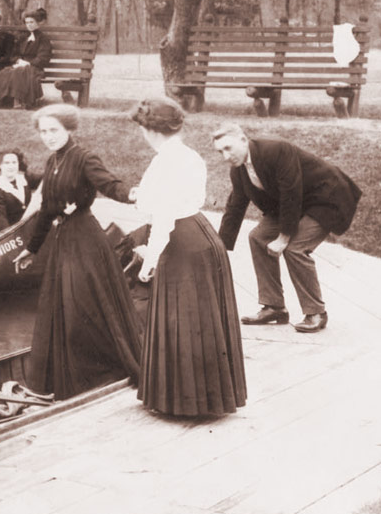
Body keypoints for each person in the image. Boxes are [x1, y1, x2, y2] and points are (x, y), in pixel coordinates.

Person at [14, 104, 142, 398]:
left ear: (69, 129)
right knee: (66, 307)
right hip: (63, 241)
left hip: (86, 241)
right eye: (44, 131)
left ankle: (97, 372)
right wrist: (31, 249)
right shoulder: (52, 161)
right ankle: (72, 374)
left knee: (82, 305)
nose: (48, 137)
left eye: (54, 130)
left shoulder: (84, 157)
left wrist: (130, 194)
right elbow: (46, 209)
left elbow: (109, 184)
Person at [128, 98, 246, 416]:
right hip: (201, 235)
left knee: (184, 318)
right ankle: (207, 398)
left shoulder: (166, 161)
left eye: (142, 128)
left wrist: (150, 260)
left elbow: (165, 216)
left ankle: (187, 403)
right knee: (201, 321)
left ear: (151, 130)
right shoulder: (188, 155)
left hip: (181, 243)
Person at [214, 122, 362, 334]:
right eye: (220, 152)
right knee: (258, 237)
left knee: (295, 247)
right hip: (296, 203)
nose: (226, 156)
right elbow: (235, 207)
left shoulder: (275, 150)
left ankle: (316, 313)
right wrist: (220, 248)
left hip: (326, 197)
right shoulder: (238, 171)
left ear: (243, 140)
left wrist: (283, 238)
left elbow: (291, 192)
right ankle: (274, 307)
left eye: (228, 148)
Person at [0, 8, 52, 109]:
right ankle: (3, 100)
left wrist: (28, 63)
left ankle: (18, 100)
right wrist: (18, 60)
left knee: (20, 72)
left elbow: (43, 58)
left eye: (32, 22)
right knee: (5, 72)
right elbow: (14, 54)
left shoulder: (43, 39)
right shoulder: (23, 37)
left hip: (35, 68)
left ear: (38, 23)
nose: (29, 25)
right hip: (20, 64)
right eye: (27, 22)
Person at [0, 148, 35, 234]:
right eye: (6, 163)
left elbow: (47, 177)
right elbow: (1, 220)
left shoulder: (24, 179)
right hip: (4, 235)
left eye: (14, 162)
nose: (11, 166)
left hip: (25, 230)